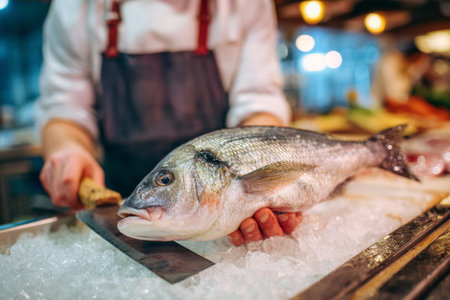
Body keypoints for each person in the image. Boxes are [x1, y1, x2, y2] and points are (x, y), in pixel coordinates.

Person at [36, 0, 302, 246]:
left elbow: (258, 102)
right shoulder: (75, 6)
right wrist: (67, 149)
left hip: (223, 216)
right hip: (126, 208)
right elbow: (64, 109)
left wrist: (259, 184)